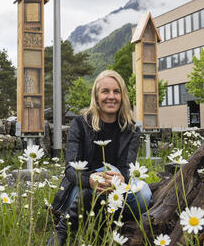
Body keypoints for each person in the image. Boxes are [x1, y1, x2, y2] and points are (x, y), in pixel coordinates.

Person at [48, 70, 152, 245]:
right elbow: (70, 170)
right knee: (105, 171)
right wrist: (91, 180)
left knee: (144, 194)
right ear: (96, 96)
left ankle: (94, 221)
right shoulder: (80, 123)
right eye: (105, 91)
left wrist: (122, 177)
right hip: (80, 189)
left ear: (122, 96)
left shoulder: (132, 129)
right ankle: (67, 229)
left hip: (116, 190)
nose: (111, 96)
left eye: (116, 91)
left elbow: (127, 167)